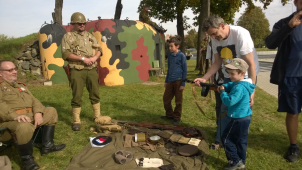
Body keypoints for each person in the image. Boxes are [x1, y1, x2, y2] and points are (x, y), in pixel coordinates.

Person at [194, 15, 259, 148]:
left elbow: (251, 65)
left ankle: (237, 142)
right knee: (225, 110)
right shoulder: (214, 40)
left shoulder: (241, 34)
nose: (213, 38)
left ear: (222, 26)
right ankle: (221, 140)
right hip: (228, 77)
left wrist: (252, 90)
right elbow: (217, 62)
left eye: (214, 33)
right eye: (210, 35)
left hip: (245, 78)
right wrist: (204, 78)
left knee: (241, 112)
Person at [0, 60, 66, 170]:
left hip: (30, 116)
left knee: (51, 111)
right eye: (10, 70)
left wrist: (38, 113)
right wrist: (15, 116)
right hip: (9, 121)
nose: (14, 71)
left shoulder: (21, 86)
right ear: (0, 73)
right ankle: (27, 160)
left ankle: (47, 146)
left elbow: (34, 100)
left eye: (15, 69)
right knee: (24, 125)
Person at [265, 0, 302, 162]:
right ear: (295, 2)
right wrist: (289, 26)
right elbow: (270, 43)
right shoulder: (283, 23)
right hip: (291, 77)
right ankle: (293, 146)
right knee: (293, 112)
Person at [61, 12, 102, 131]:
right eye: (79, 23)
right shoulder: (68, 37)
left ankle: (97, 117)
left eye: (84, 23)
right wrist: (83, 59)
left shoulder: (90, 36)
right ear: (73, 23)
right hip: (77, 70)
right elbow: (66, 54)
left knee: (95, 93)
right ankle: (76, 121)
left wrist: (94, 58)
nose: (82, 25)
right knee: (77, 95)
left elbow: (99, 49)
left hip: (91, 69)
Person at [218, 58, 256, 170]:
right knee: (241, 141)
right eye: (229, 73)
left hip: (237, 119)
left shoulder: (239, 87)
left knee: (226, 139)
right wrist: (225, 85)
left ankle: (235, 162)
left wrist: (222, 92)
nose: (229, 76)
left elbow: (229, 101)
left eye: (232, 74)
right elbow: (232, 84)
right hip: (245, 118)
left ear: (242, 73)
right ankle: (241, 162)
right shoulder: (243, 83)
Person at [161, 36, 187, 125]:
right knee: (166, 99)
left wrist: (183, 83)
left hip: (178, 81)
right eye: (169, 46)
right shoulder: (170, 56)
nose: (170, 48)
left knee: (178, 101)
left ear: (177, 46)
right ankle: (169, 115)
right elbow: (169, 69)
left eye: (171, 46)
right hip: (170, 81)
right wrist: (166, 81)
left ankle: (176, 117)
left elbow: (185, 70)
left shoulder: (182, 56)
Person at [205, 39, 225, 150]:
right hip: (218, 81)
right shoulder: (211, 43)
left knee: (226, 109)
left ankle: (222, 137)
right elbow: (212, 62)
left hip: (230, 80)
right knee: (219, 108)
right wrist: (211, 81)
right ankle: (219, 131)